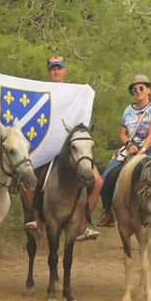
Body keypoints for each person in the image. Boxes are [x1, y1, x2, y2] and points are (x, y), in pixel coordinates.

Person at [22, 55, 103, 242]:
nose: (56, 71)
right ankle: (34, 217)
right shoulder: (41, 93)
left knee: (97, 181)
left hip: (72, 151)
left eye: (59, 68)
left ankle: (83, 221)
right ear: (48, 71)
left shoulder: (74, 93)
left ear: (64, 70)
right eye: (52, 69)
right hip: (46, 148)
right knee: (30, 179)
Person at [98, 74, 151, 235]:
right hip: (129, 148)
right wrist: (129, 144)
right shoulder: (128, 110)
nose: (138, 91)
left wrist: (140, 152)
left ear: (149, 90)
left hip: (150, 150)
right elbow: (122, 133)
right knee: (104, 178)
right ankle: (107, 211)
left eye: (141, 88)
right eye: (135, 89)